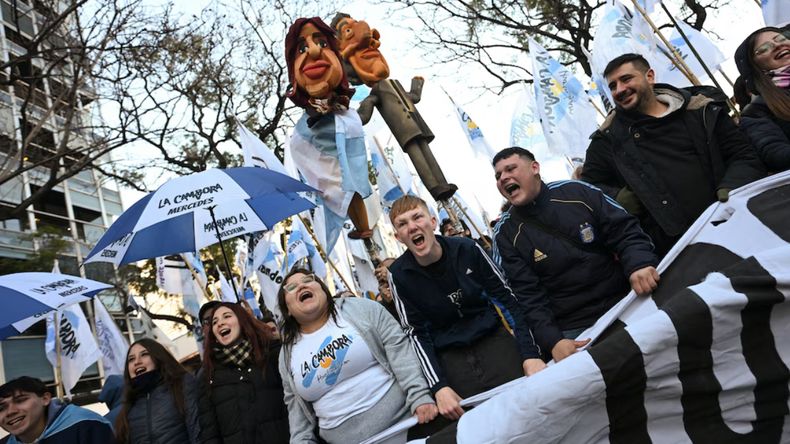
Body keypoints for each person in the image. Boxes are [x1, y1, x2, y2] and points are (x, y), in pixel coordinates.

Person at [582, 53, 765, 257]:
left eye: (626, 79)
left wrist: (731, 188)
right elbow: (587, 190)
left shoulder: (702, 111)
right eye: (613, 86)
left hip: (738, 222)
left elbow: (743, 155)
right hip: (677, 251)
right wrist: (618, 199)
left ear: (649, 76)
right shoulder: (607, 140)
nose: (619, 90)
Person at [493, 147, 659, 363]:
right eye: (498, 175)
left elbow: (625, 231)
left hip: (626, 299)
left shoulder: (578, 192)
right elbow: (526, 298)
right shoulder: (505, 235)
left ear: (534, 168)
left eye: (510, 169)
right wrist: (553, 341)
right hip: (574, 330)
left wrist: (640, 264)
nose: (503, 178)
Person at [387, 195, 545, 421]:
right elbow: (415, 333)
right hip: (451, 359)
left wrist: (530, 353)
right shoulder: (399, 275)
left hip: (494, 342)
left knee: (532, 412)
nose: (412, 227)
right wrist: (438, 386)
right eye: (402, 224)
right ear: (398, 237)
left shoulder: (467, 249)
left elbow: (508, 298)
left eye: (417, 217)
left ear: (432, 222)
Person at [276, 268, 437, 443]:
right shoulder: (286, 354)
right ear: (287, 309)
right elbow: (295, 408)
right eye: (291, 287)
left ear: (323, 290)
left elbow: (399, 350)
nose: (301, 286)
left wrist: (419, 395)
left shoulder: (362, 309)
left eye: (308, 280)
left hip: (408, 426)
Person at [330, 12, 458, 202]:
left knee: (426, 151)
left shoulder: (392, 83)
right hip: (402, 127)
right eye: (348, 31)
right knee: (417, 153)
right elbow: (363, 116)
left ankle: (442, 182)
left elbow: (413, 98)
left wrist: (416, 87)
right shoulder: (376, 93)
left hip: (414, 120)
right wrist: (349, 112)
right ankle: (435, 187)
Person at [285, 17, 373, 240]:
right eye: (302, 48)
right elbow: (303, 144)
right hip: (324, 154)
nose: (314, 51)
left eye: (322, 43)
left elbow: (357, 122)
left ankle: (363, 227)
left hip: (345, 149)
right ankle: (360, 226)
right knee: (336, 182)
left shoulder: (346, 114)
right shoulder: (305, 129)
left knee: (349, 179)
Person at [197, 302, 289, 443]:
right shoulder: (208, 375)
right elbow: (210, 433)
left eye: (227, 316)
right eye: (214, 322)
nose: (220, 323)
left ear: (242, 320)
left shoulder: (272, 353)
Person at [114, 338, 200, 444]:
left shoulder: (182, 385)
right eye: (131, 359)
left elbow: (198, 432)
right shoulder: (127, 410)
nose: (137, 362)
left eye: (144, 354)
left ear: (158, 357)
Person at [735, 27, 790, 172]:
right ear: (755, 67)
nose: (777, 45)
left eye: (781, 39)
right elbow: (775, 155)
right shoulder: (756, 112)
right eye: (764, 48)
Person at [0, 376, 114, 443]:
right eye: (1, 408)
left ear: (45, 399)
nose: (11, 411)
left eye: (20, 400)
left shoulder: (87, 426)